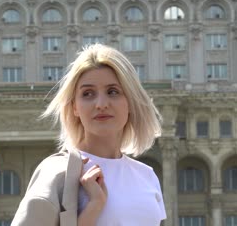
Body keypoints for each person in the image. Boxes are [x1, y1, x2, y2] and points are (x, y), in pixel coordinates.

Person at [11, 44, 166, 226]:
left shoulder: (147, 176)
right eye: (88, 94)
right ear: (75, 107)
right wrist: (93, 209)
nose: (101, 104)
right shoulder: (57, 172)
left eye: (113, 92)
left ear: (131, 102)